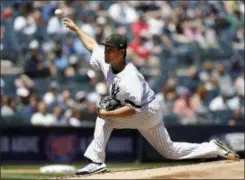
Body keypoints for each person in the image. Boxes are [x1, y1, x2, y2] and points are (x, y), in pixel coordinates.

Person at [63, 18, 239, 175]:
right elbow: (92, 45)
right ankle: (213, 148)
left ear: (121, 52)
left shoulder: (130, 78)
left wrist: (107, 114)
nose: (106, 53)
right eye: (106, 49)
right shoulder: (107, 60)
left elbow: (132, 110)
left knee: (105, 119)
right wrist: (77, 30)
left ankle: (96, 162)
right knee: (169, 151)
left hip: (145, 111)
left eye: (110, 50)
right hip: (149, 109)